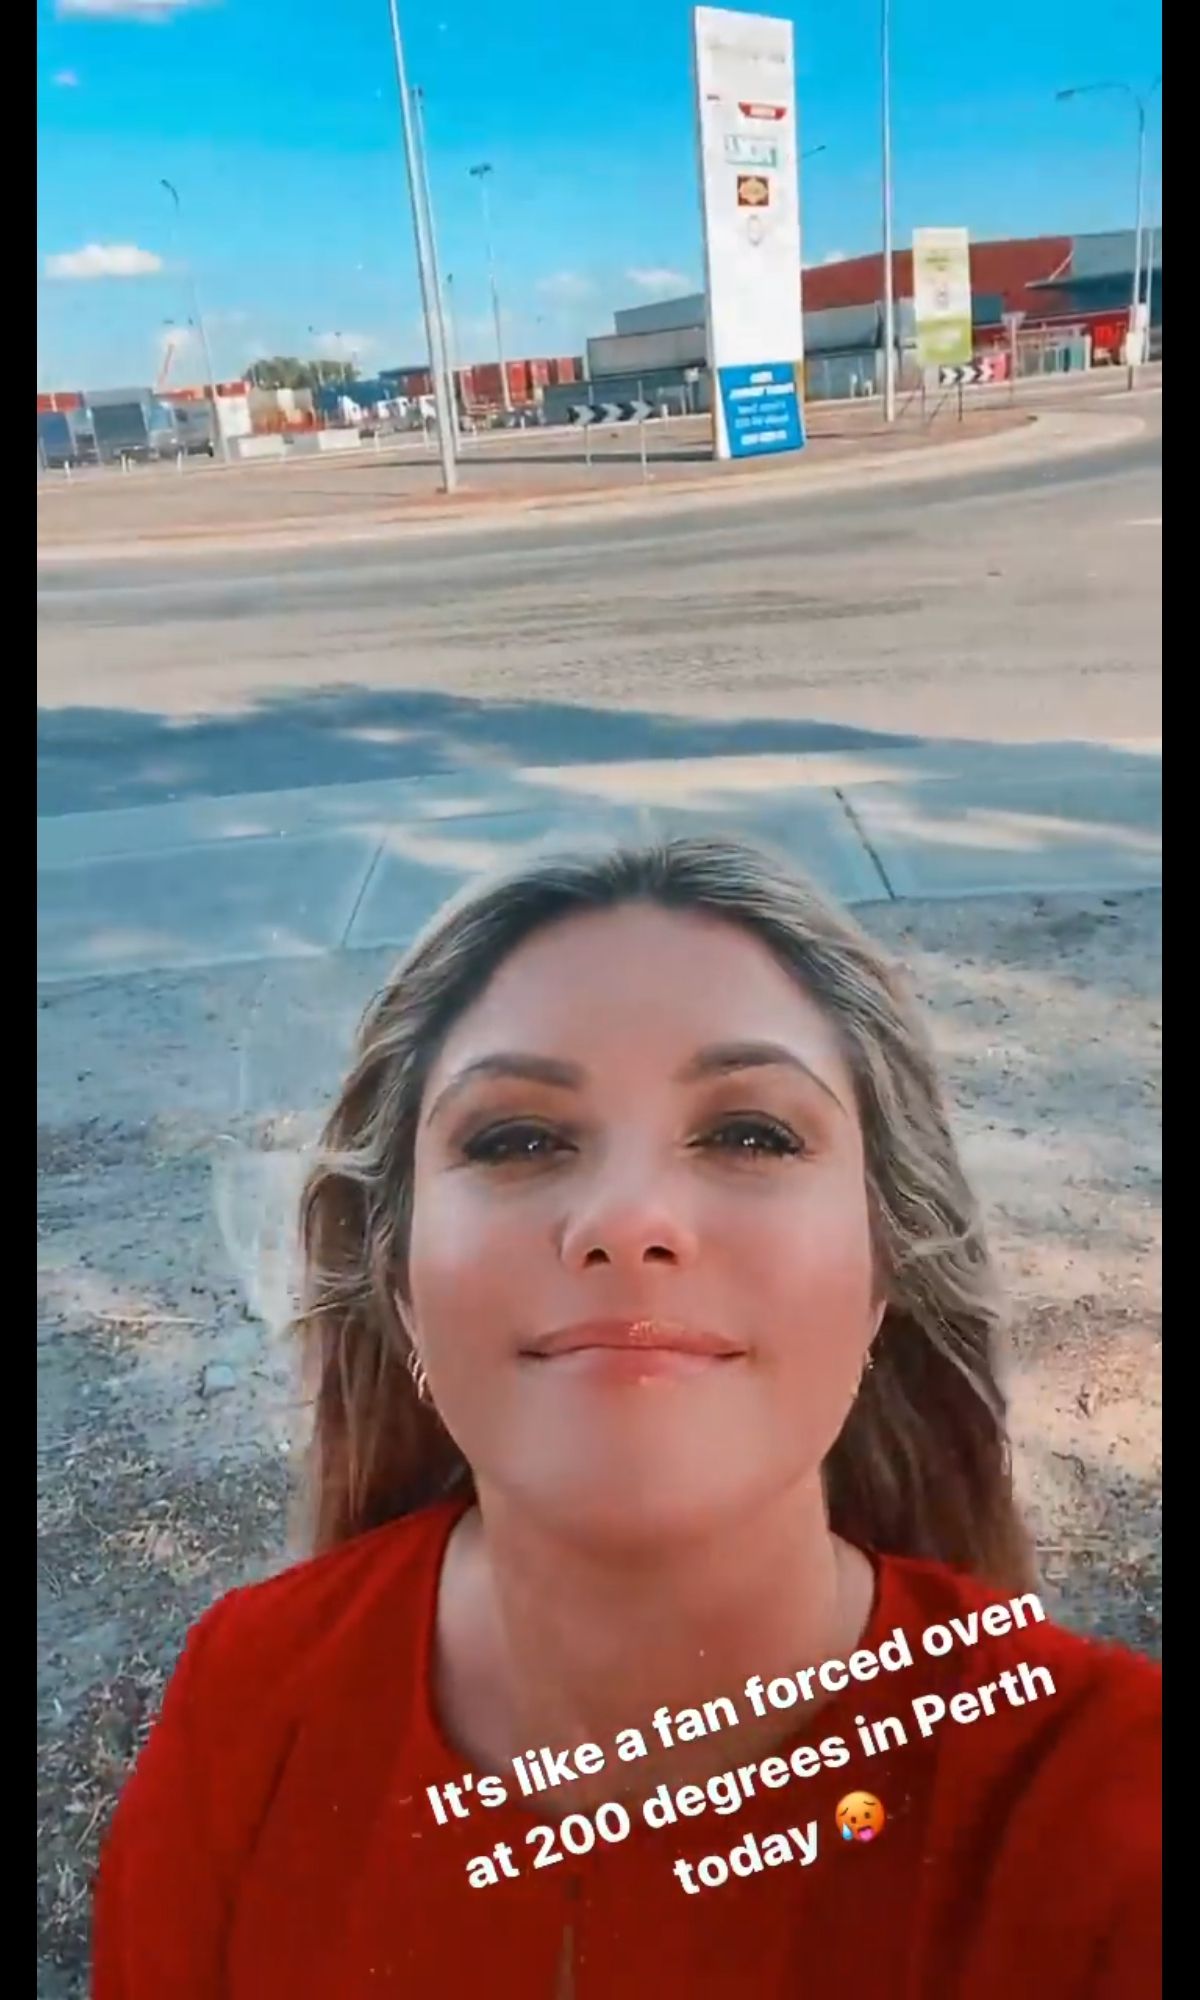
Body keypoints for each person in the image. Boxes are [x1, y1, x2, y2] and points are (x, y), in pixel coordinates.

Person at [93, 837, 1160, 1999]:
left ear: (880, 1270)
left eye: (751, 1132)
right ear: (398, 1281)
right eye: (516, 1137)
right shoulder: (247, 1700)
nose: (629, 1218)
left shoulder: (1105, 1799)